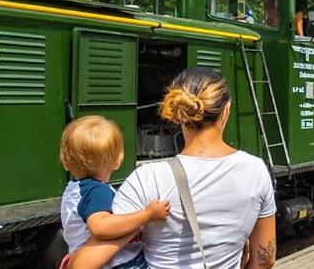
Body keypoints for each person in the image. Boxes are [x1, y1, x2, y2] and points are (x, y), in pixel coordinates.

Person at [71, 68, 277, 269]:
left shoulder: (148, 178)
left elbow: (82, 264)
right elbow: (265, 259)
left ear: (178, 113)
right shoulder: (256, 170)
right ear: (227, 110)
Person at [59, 116, 170, 269]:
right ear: (118, 160)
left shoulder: (73, 189)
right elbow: (100, 227)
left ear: (65, 161)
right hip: (119, 262)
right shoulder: (96, 191)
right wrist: (148, 215)